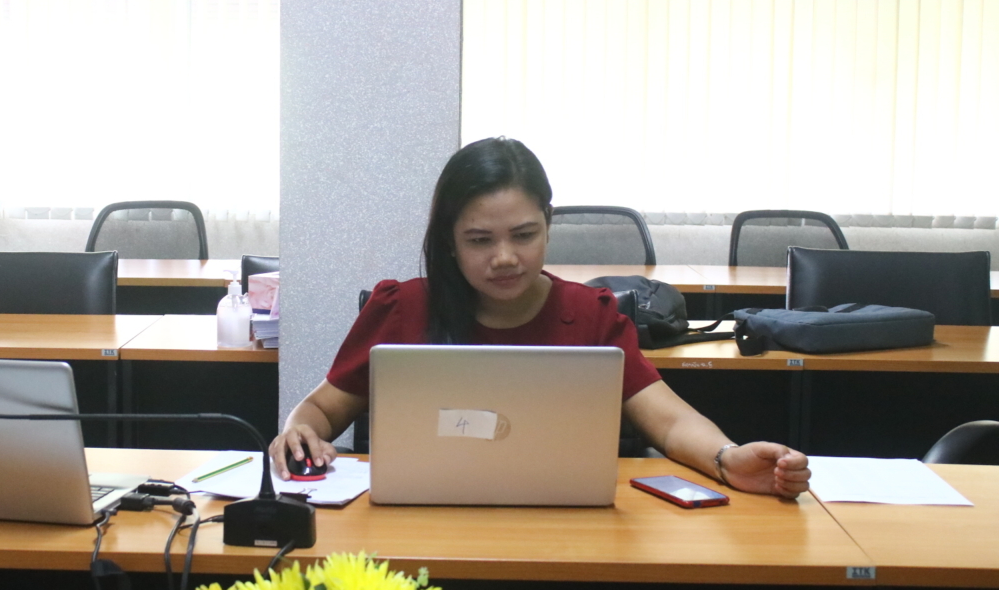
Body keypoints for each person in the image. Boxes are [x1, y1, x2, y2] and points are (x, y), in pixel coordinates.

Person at [271, 136, 810, 498]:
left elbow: (668, 421)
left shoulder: (590, 316)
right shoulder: (403, 309)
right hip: (416, 526)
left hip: (565, 529)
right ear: (450, 243)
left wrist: (727, 458)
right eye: (479, 240)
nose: (504, 257)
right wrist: (297, 435)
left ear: (548, 224)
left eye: (524, 235)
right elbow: (320, 409)